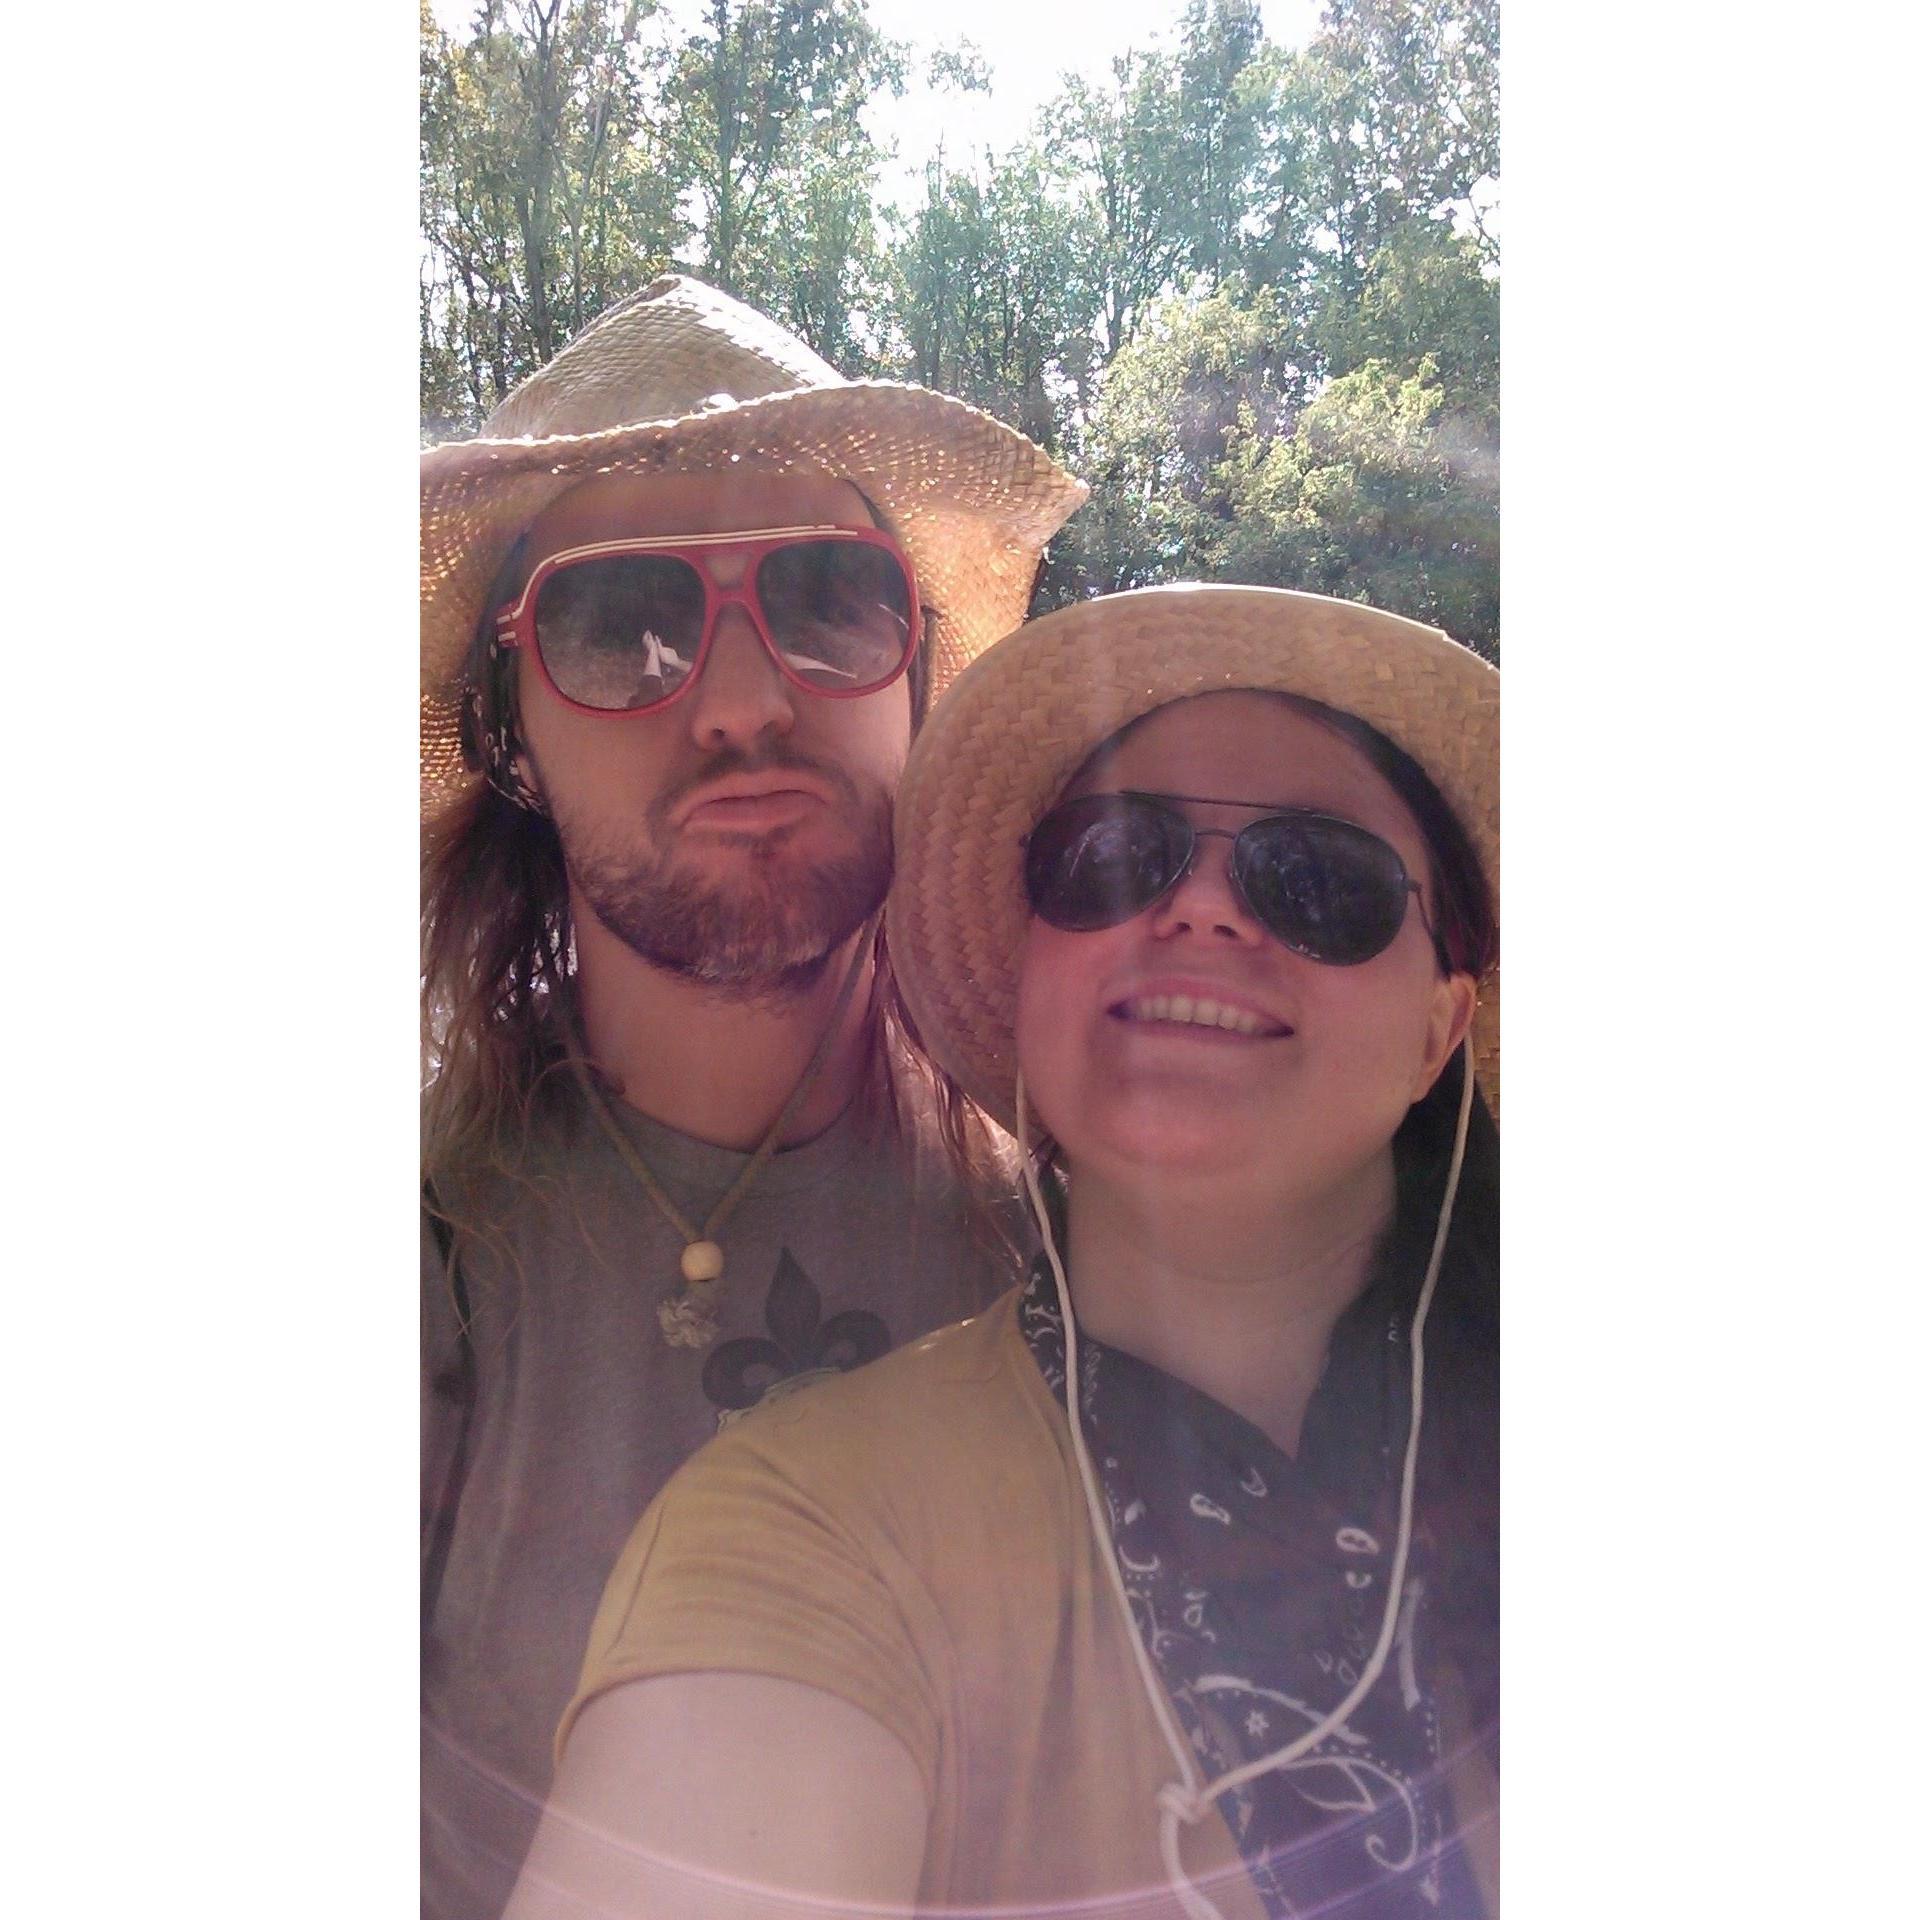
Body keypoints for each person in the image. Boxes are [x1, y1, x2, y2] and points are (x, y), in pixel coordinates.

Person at [504, 583, 1501, 1920]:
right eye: (1115, 856)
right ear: (1034, 975)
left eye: (1321, 879)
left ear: (1442, 1029)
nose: (1206, 907)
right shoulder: (812, 1528)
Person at [420, 274, 1085, 1920]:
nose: (738, 700)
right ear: (510, 736)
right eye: (615, 622)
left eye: (830, 600)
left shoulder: (1094, 1235)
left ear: (913, 679)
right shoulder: (423, 1246)